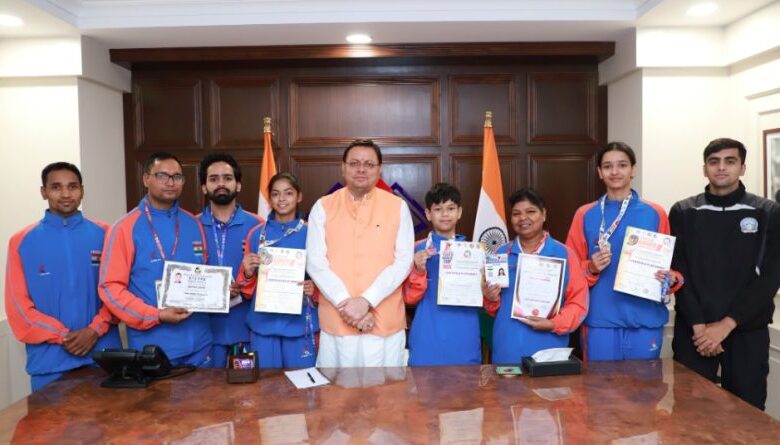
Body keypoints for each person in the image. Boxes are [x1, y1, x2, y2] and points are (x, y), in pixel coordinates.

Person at [670, 138, 780, 410]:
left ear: (742, 168)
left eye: (730, 161)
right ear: (704, 168)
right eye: (714, 162)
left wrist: (726, 325)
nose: (721, 168)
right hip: (694, 333)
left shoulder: (767, 212)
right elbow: (678, 273)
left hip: (746, 331)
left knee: (747, 415)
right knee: (690, 416)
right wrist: (700, 327)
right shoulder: (683, 211)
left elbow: (770, 277)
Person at [4, 162, 121, 391]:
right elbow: (18, 307)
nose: (66, 194)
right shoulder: (21, 241)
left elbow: (118, 291)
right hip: (49, 364)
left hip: (104, 358)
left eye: (72, 186)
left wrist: (94, 330)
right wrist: (63, 336)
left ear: (82, 191)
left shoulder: (106, 234)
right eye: (56, 187)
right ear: (44, 192)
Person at [566, 142, 681, 361]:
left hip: (645, 319)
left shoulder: (655, 212)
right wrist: (591, 267)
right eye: (607, 166)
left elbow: (669, 267)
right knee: (599, 383)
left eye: (622, 165)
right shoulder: (585, 214)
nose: (615, 172)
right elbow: (570, 272)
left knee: (644, 383)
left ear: (633, 170)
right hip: (600, 321)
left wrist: (669, 278)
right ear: (600, 172)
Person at [306, 139, 414, 367]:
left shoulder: (398, 206)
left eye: (369, 164)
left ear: (379, 169)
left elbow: (403, 262)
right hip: (337, 318)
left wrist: (367, 300)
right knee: (337, 387)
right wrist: (345, 303)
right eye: (354, 163)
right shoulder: (323, 206)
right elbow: (315, 262)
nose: (361, 169)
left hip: (384, 319)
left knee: (385, 387)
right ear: (343, 167)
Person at [99, 152, 212, 367]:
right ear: (146, 179)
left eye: (177, 177)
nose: (170, 183)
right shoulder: (124, 228)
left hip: (200, 344)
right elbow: (110, 287)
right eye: (162, 176)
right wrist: (155, 315)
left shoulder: (193, 223)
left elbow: (204, 273)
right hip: (153, 347)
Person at [483, 188, 588, 363]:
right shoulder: (501, 254)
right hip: (508, 348)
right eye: (516, 214)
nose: (523, 218)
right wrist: (490, 298)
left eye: (531, 211)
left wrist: (554, 324)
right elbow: (492, 309)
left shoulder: (564, 254)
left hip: (549, 348)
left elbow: (578, 303)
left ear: (543, 214)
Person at [237, 172, 319, 368]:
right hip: (263, 324)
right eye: (275, 194)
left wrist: (314, 289)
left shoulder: (313, 233)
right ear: (269, 199)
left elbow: (325, 275)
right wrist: (248, 272)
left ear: (299, 196)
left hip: (300, 323)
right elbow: (246, 288)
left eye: (288, 193)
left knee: (302, 382)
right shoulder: (256, 234)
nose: (282, 199)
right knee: (266, 383)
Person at [403, 182, 489, 366]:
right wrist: (418, 270)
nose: (445, 214)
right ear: (428, 214)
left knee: (465, 383)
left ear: (459, 212)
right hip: (427, 333)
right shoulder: (416, 250)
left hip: (464, 333)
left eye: (450, 208)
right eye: (438, 209)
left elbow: (488, 299)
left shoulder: (475, 253)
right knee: (423, 383)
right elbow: (408, 298)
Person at [197, 153, 263, 368]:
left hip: (247, 329)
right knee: (206, 388)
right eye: (213, 179)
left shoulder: (259, 226)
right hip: (205, 332)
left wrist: (245, 283)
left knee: (248, 388)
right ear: (204, 187)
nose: (221, 184)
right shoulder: (191, 227)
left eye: (227, 178)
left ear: (238, 184)